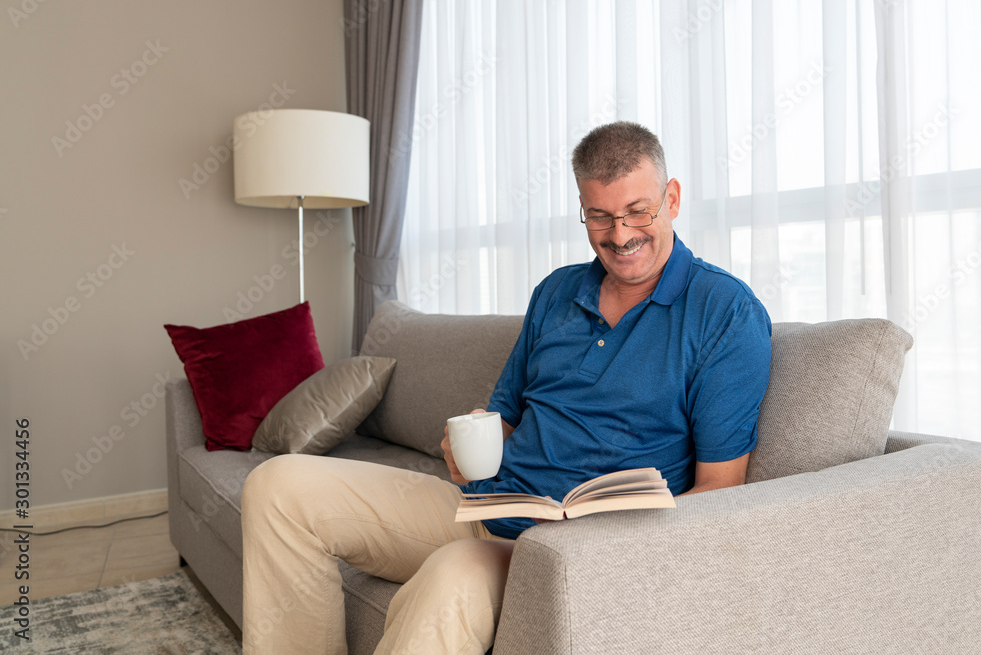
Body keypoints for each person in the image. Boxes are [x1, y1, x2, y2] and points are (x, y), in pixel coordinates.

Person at [241, 121, 772, 654]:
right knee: (277, 486)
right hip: (481, 507)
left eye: (639, 211)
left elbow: (722, 491)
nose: (620, 234)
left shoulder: (724, 312)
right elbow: (506, 416)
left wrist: (594, 540)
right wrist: (468, 444)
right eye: (599, 216)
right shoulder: (557, 292)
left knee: (453, 577)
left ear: (672, 198)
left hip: (566, 548)